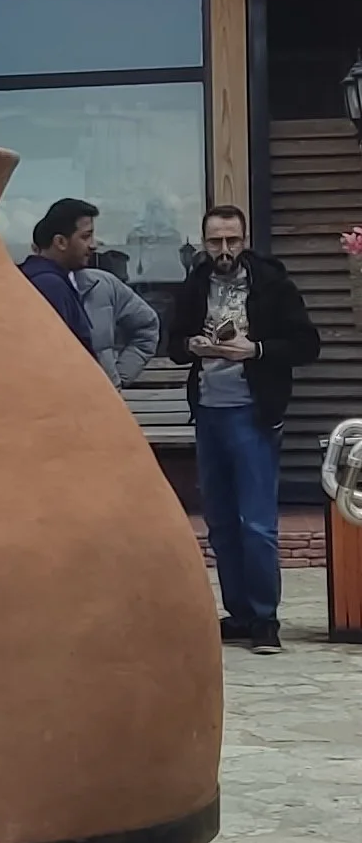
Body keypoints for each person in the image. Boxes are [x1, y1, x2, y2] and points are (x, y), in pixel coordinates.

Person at [171, 202, 321, 653]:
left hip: (252, 413)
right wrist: (192, 345)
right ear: (203, 242)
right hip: (210, 413)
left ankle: (264, 619)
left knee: (256, 522)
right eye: (215, 241)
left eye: (231, 240)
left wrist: (253, 350)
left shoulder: (271, 282)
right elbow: (173, 343)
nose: (224, 249)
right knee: (218, 520)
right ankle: (238, 613)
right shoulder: (195, 282)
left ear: (245, 239)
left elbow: (306, 344)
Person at [18, 198, 101, 350]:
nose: (93, 245)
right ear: (60, 242)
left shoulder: (40, 279)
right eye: (85, 236)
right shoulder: (49, 286)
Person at [77, 251, 161, 386]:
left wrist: (118, 378)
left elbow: (147, 326)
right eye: (85, 236)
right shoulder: (35, 285)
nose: (92, 245)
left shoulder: (103, 284)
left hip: (102, 395)